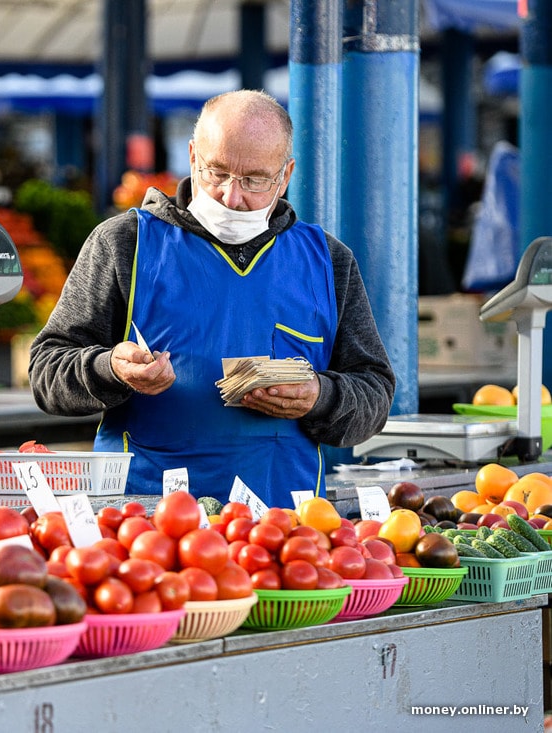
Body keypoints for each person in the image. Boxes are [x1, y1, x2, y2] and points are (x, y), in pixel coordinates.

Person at [27, 90, 396, 507]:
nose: (231, 197)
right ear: (191, 156)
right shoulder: (124, 244)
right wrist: (109, 368)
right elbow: (47, 371)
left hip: (284, 528)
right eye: (216, 172)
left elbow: (375, 392)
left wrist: (321, 396)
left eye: (255, 180)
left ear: (286, 174)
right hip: (144, 523)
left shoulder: (329, 261)